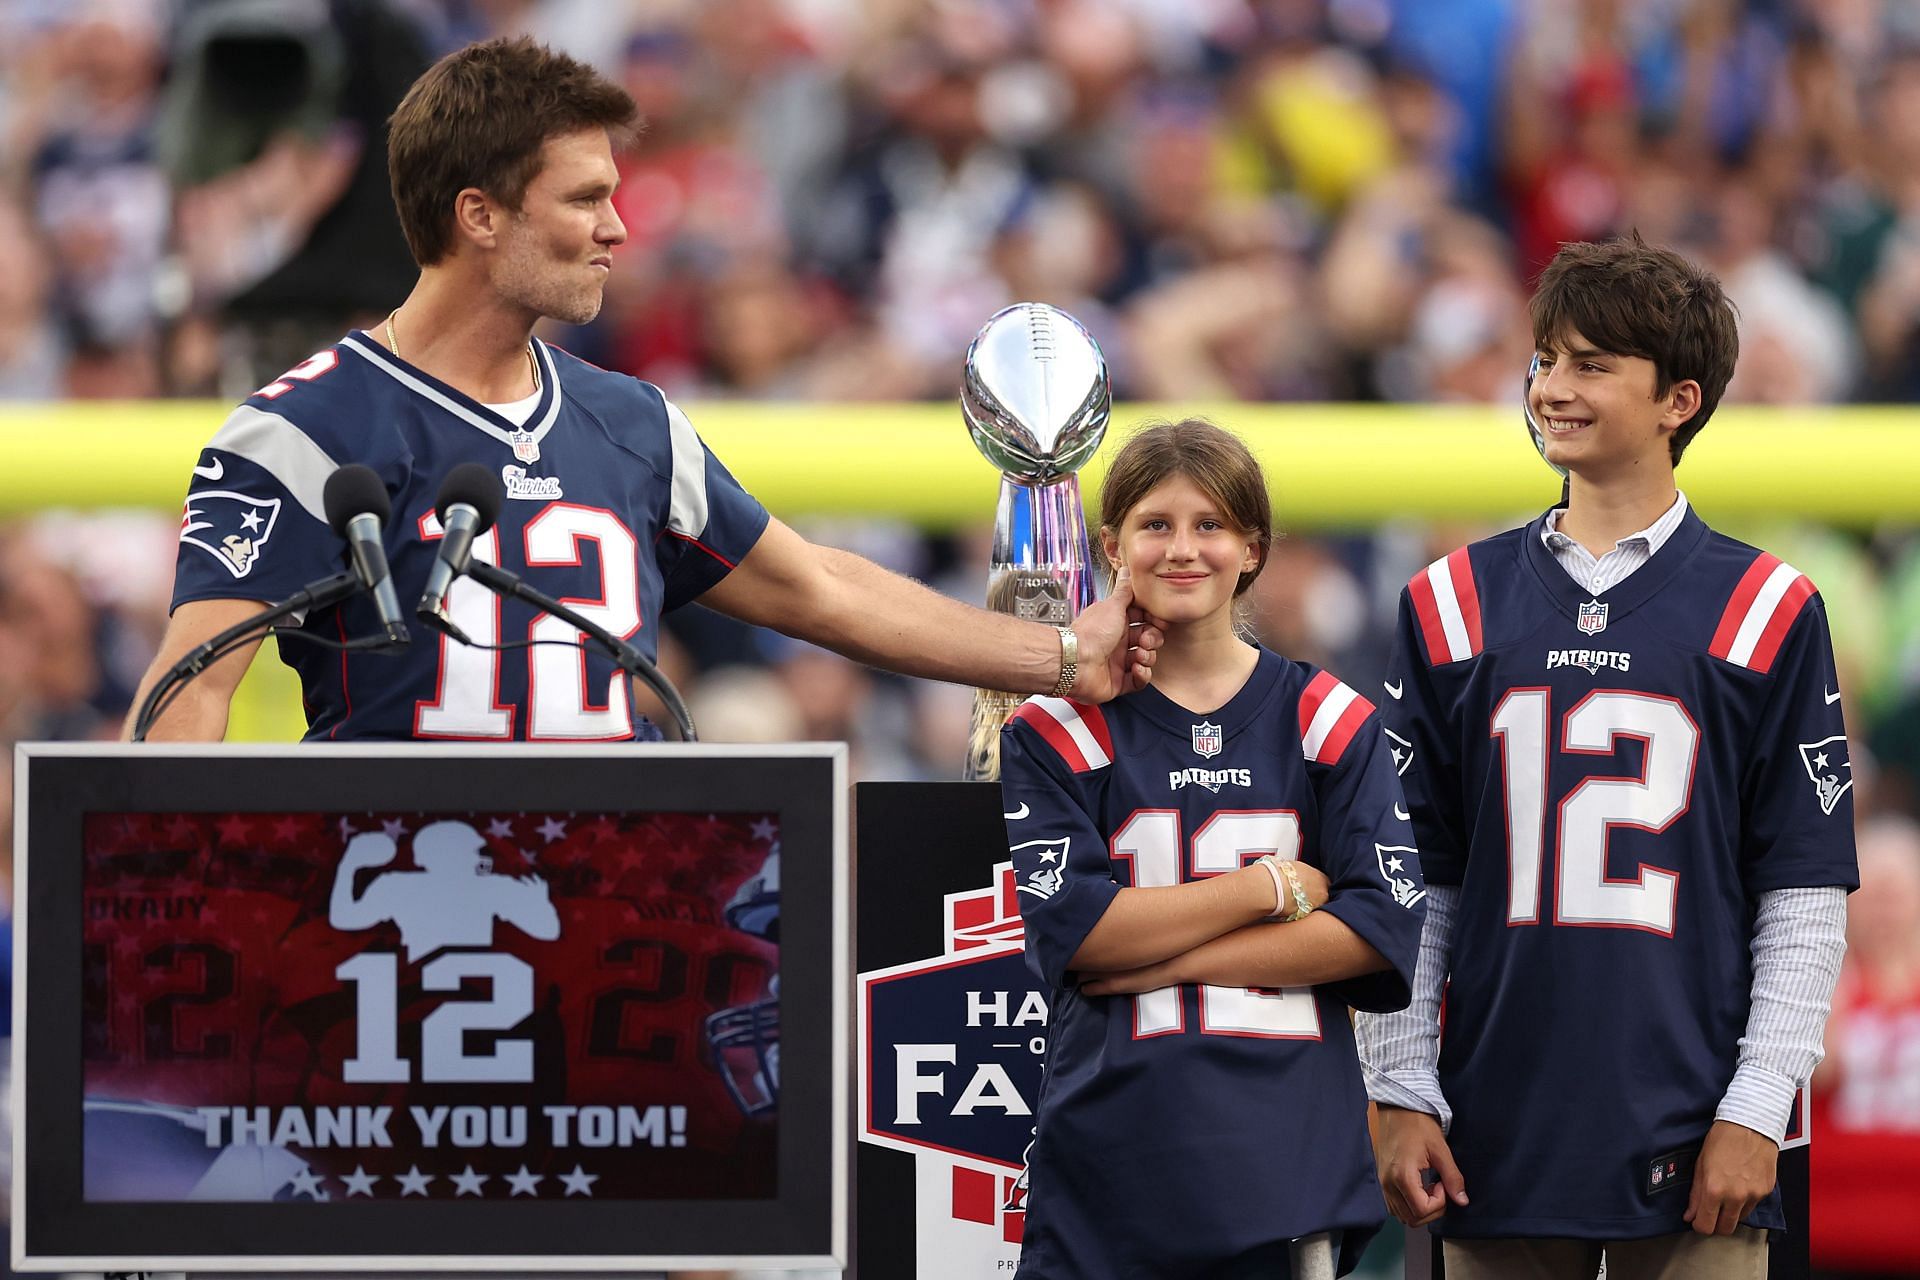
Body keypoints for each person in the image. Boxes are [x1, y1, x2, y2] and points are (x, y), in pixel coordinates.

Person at [125, 36, 1157, 743]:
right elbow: (189, 691)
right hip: (384, 940)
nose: (621, 228)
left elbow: (820, 589)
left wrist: (1061, 653)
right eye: (585, 199)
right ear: (478, 215)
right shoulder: (303, 428)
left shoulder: (633, 424)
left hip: (612, 941)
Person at [1356, 234, 1858, 1278]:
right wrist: (1398, 1085)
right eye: (1544, 359)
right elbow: (1412, 879)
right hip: (1493, 1118)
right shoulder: (1449, 602)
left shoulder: (1768, 607)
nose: (1552, 387)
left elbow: (1803, 887)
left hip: (1695, 1114)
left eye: (1591, 364)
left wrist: (1761, 1105)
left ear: (1679, 399)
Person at [998, 419, 1426, 1279]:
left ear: (1252, 549)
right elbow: (1083, 935)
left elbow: (1378, 933)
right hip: (1111, 1155)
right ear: (1112, 544)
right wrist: (1266, 888)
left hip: (1283, 1161)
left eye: (1211, 526)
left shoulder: (1327, 716)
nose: (1183, 550)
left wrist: (1168, 965)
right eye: (1156, 525)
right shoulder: (1054, 727)